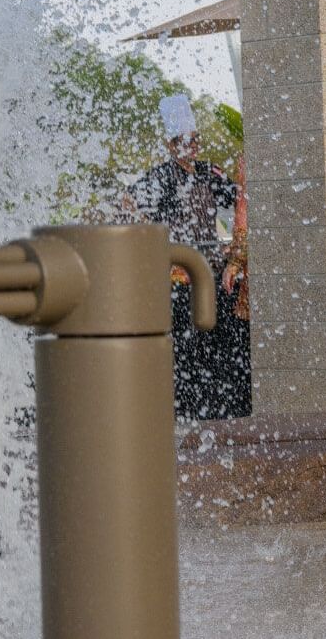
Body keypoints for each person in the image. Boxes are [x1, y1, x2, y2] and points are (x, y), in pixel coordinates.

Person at [124, 94, 250, 419]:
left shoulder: (211, 172)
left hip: (209, 275)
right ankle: (184, 415)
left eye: (194, 140)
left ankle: (221, 413)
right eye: (183, 140)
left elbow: (240, 200)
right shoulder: (161, 178)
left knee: (217, 348)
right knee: (184, 351)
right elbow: (126, 205)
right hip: (176, 283)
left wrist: (234, 245)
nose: (191, 146)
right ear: (170, 144)